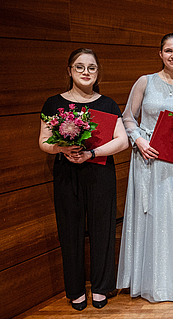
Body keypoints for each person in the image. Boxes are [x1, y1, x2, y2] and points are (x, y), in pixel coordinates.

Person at [116, 33, 173, 302]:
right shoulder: (145, 82)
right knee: (151, 215)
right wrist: (139, 141)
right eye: (168, 50)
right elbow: (128, 118)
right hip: (147, 157)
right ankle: (147, 279)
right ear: (160, 53)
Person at [39, 48, 129, 310]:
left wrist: (91, 153)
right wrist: (62, 149)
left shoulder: (108, 103)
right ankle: (76, 289)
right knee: (70, 231)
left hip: (100, 172)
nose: (86, 72)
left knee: (103, 230)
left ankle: (101, 287)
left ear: (98, 72)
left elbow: (122, 141)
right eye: (80, 67)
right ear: (69, 71)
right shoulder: (53, 104)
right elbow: (43, 141)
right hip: (67, 174)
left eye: (91, 68)